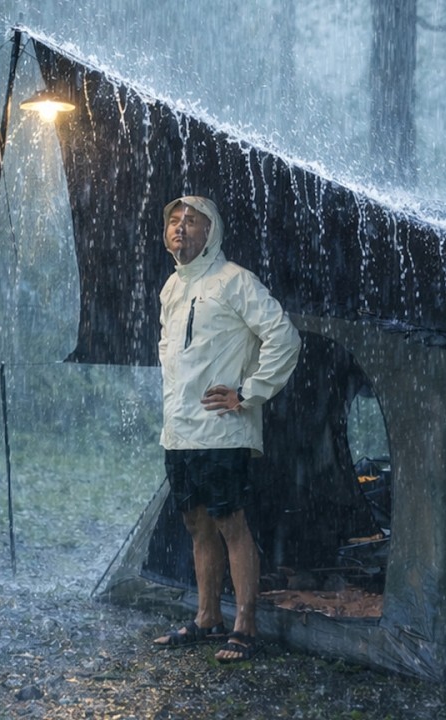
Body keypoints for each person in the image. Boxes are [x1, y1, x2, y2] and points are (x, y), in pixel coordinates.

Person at [150, 196, 301, 662]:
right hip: (180, 431)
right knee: (196, 525)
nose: (181, 228)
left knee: (230, 524)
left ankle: (246, 626)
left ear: (210, 231)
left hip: (222, 430)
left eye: (191, 221)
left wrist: (248, 392)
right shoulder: (171, 288)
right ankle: (207, 618)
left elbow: (284, 336)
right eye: (174, 221)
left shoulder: (235, 281)